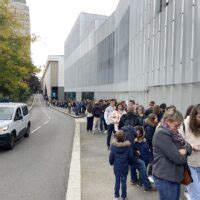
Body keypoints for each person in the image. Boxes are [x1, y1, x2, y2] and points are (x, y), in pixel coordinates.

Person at [153, 110, 192, 200]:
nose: (178, 128)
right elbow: (178, 159)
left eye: (179, 125)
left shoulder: (174, 133)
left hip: (173, 176)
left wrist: (185, 150)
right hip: (166, 178)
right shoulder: (162, 134)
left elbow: (188, 146)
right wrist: (183, 151)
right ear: (168, 121)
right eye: (176, 125)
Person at [179, 104, 200, 200]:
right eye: (199, 116)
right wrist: (192, 146)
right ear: (193, 116)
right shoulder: (184, 125)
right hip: (189, 165)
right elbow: (178, 144)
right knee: (196, 195)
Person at [109, 131, 133, 200]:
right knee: (124, 182)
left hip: (117, 167)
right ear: (124, 137)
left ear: (116, 138)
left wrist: (111, 162)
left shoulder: (113, 146)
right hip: (125, 167)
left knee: (117, 181)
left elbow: (111, 156)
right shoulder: (128, 147)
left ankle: (116, 196)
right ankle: (124, 196)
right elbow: (130, 157)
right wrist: (130, 164)